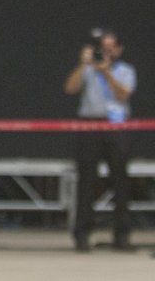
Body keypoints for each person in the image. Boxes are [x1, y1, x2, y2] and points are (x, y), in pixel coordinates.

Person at [62, 28, 136, 252]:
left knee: (120, 181)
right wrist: (84, 64)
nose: (106, 52)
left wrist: (107, 73)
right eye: (103, 48)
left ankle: (121, 236)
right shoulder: (88, 70)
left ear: (119, 50)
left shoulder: (125, 70)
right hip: (90, 126)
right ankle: (82, 234)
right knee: (86, 181)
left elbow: (123, 95)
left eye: (111, 48)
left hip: (115, 125)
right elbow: (70, 88)